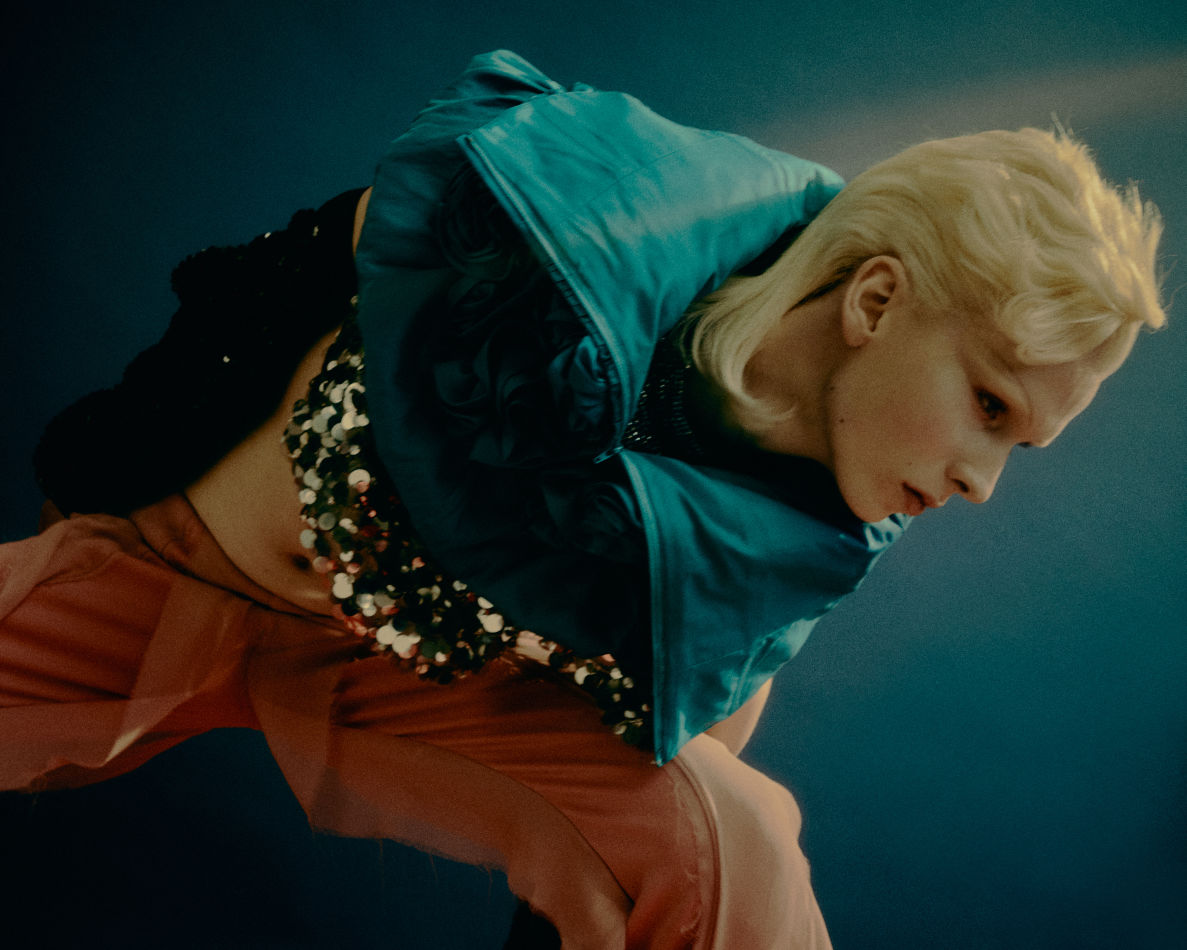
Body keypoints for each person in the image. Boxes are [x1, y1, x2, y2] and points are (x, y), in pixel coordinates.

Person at [0, 49, 1165, 949]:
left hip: (399, 684)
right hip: (172, 561)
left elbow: (659, 805)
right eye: (989, 404)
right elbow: (308, 263)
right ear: (874, 300)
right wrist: (125, 450)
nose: (979, 482)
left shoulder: (796, 544)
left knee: (731, 835)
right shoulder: (573, 224)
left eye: (1020, 442)